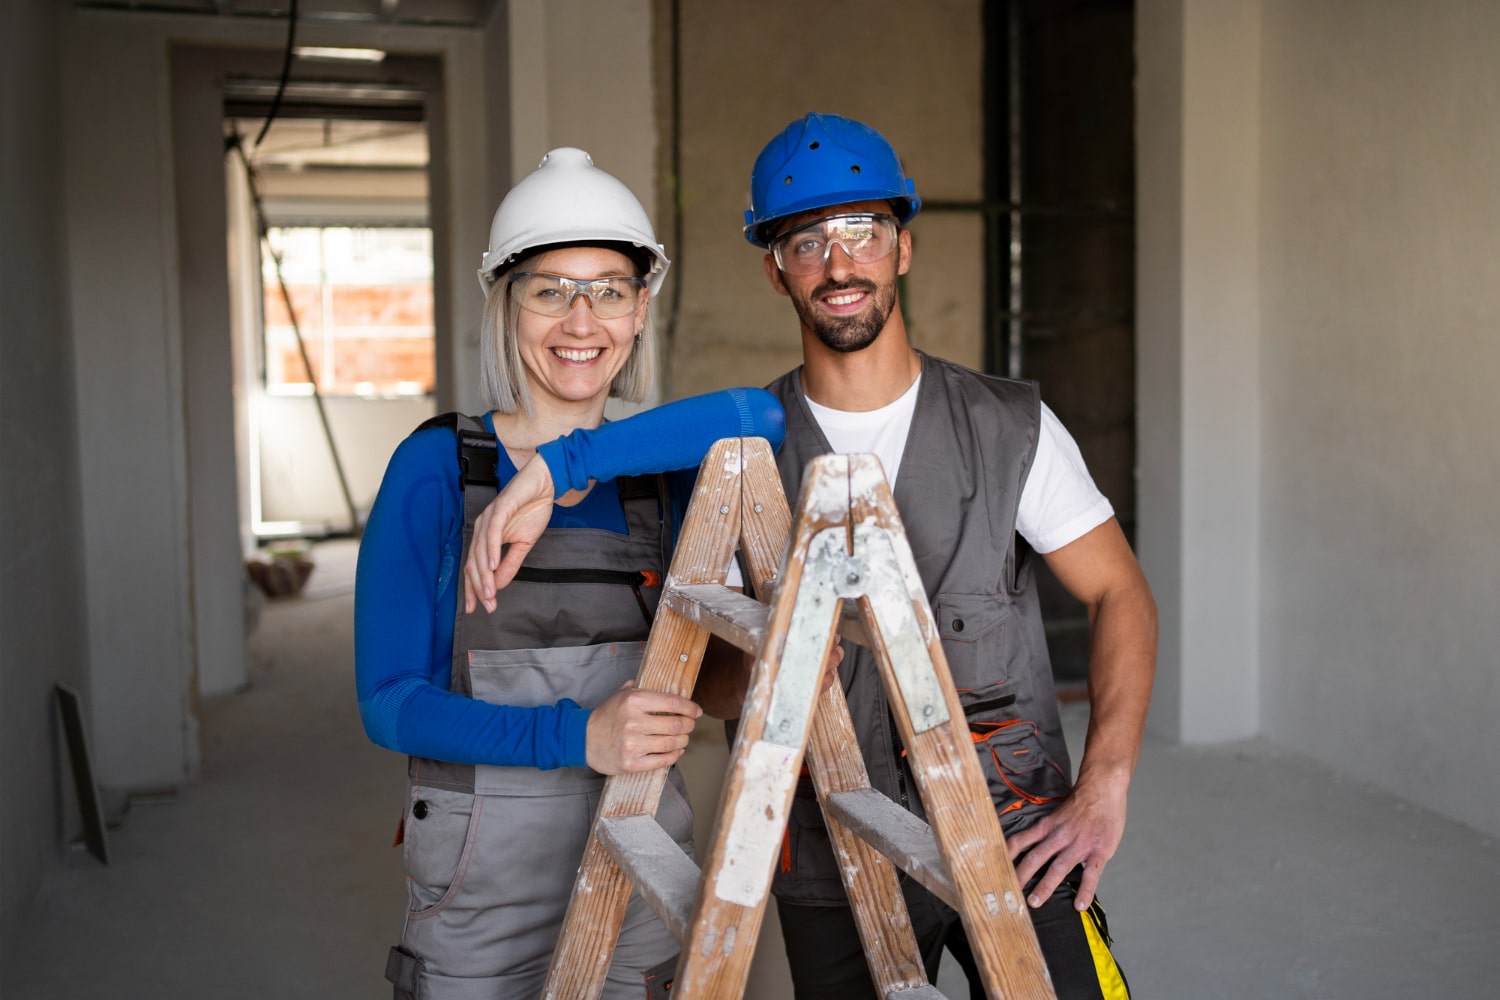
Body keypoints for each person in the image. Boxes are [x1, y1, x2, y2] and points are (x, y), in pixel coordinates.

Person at [737, 112, 1158, 999]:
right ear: (776, 269)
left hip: (1018, 829)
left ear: (903, 249)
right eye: (807, 240)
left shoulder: (1010, 428)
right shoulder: (747, 454)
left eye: (864, 230)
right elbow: (707, 679)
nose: (839, 262)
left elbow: (1120, 592)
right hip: (829, 841)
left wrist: (1104, 784)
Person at [354, 147, 785, 1000]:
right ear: (506, 305)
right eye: (551, 289)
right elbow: (388, 701)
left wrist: (560, 467)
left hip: (641, 847)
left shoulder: (663, 469)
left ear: (638, 312)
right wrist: (576, 736)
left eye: (609, 291)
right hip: (483, 881)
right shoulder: (438, 465)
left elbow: (761, 412)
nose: (580, 321)